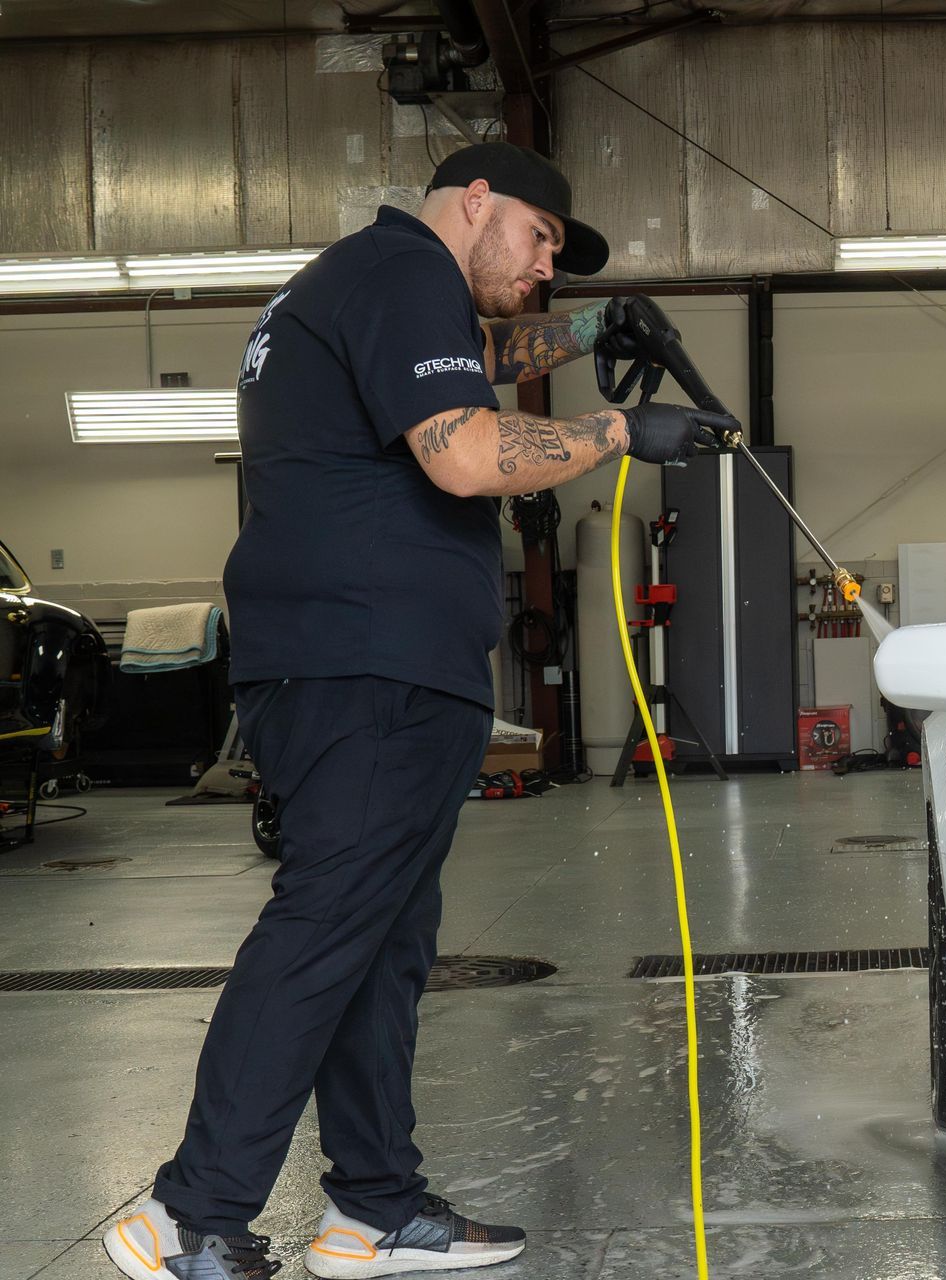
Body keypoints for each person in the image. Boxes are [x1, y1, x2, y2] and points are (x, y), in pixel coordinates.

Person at [103, 142, 727, 1280]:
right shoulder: (399, 275)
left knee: (380, 947)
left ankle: (373, 1205)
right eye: (540, 238)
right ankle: (191, 1212)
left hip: (356, 660)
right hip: (366, 665)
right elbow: (468, 451)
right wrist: (622, 433)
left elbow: (476, 357)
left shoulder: (369, 286)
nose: (546, 269)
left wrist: (592, 334)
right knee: (329, 924)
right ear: (476, 201)